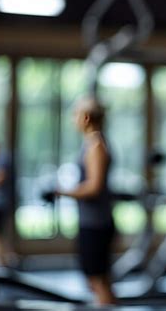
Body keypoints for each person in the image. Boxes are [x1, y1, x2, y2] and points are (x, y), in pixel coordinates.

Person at [52, 96, 116, 305]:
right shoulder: (93, 143)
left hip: (96, 223)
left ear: (86, 117)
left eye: (75, 115)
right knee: (98, 281)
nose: (73, 120)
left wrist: (63, 192)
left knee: (97, 281)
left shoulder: (96, 145)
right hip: (94, 221)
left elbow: (94, 186)